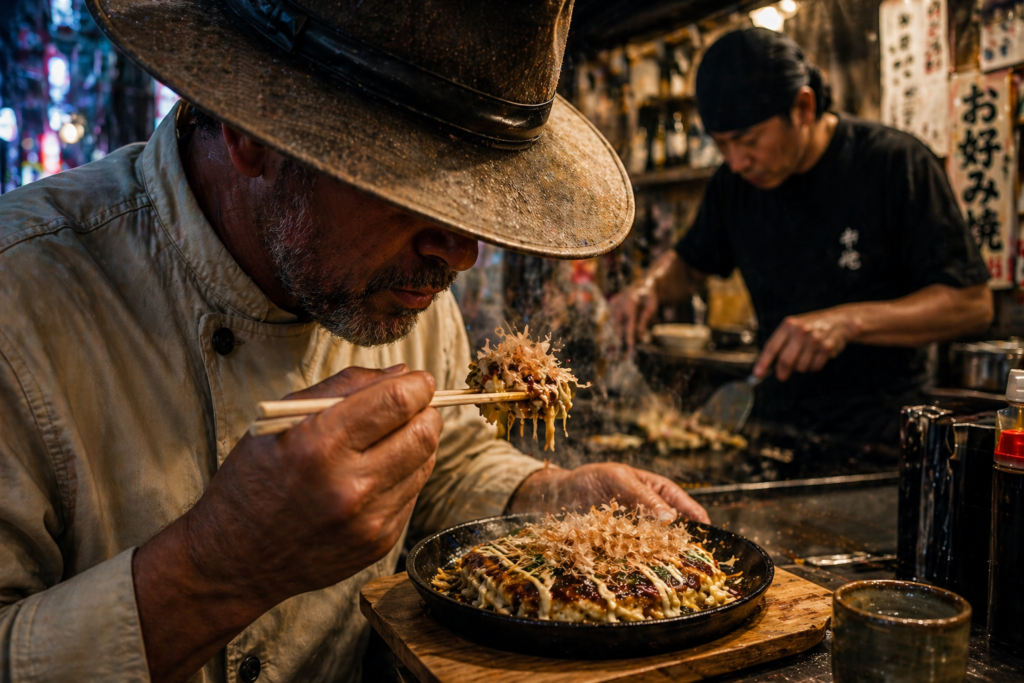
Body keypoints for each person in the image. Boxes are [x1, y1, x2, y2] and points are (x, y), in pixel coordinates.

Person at [0, 1, 710, 681]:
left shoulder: (403, 286)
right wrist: (220, 568)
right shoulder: (24, 301)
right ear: (254, 129)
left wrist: (541, 492)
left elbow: (444, 460)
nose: (462, 254)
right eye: (414, 186)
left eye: (477, 198)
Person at [613, 28, 993, 444]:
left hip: (881, 436)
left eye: (749, 140)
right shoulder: (734, 184)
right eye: (722, 146)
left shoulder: (892, 163)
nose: (737, 162)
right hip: (774, 430)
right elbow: (690, 262)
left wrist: (847, 322)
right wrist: (647, 289)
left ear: (803, 107)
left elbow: (972, 303)